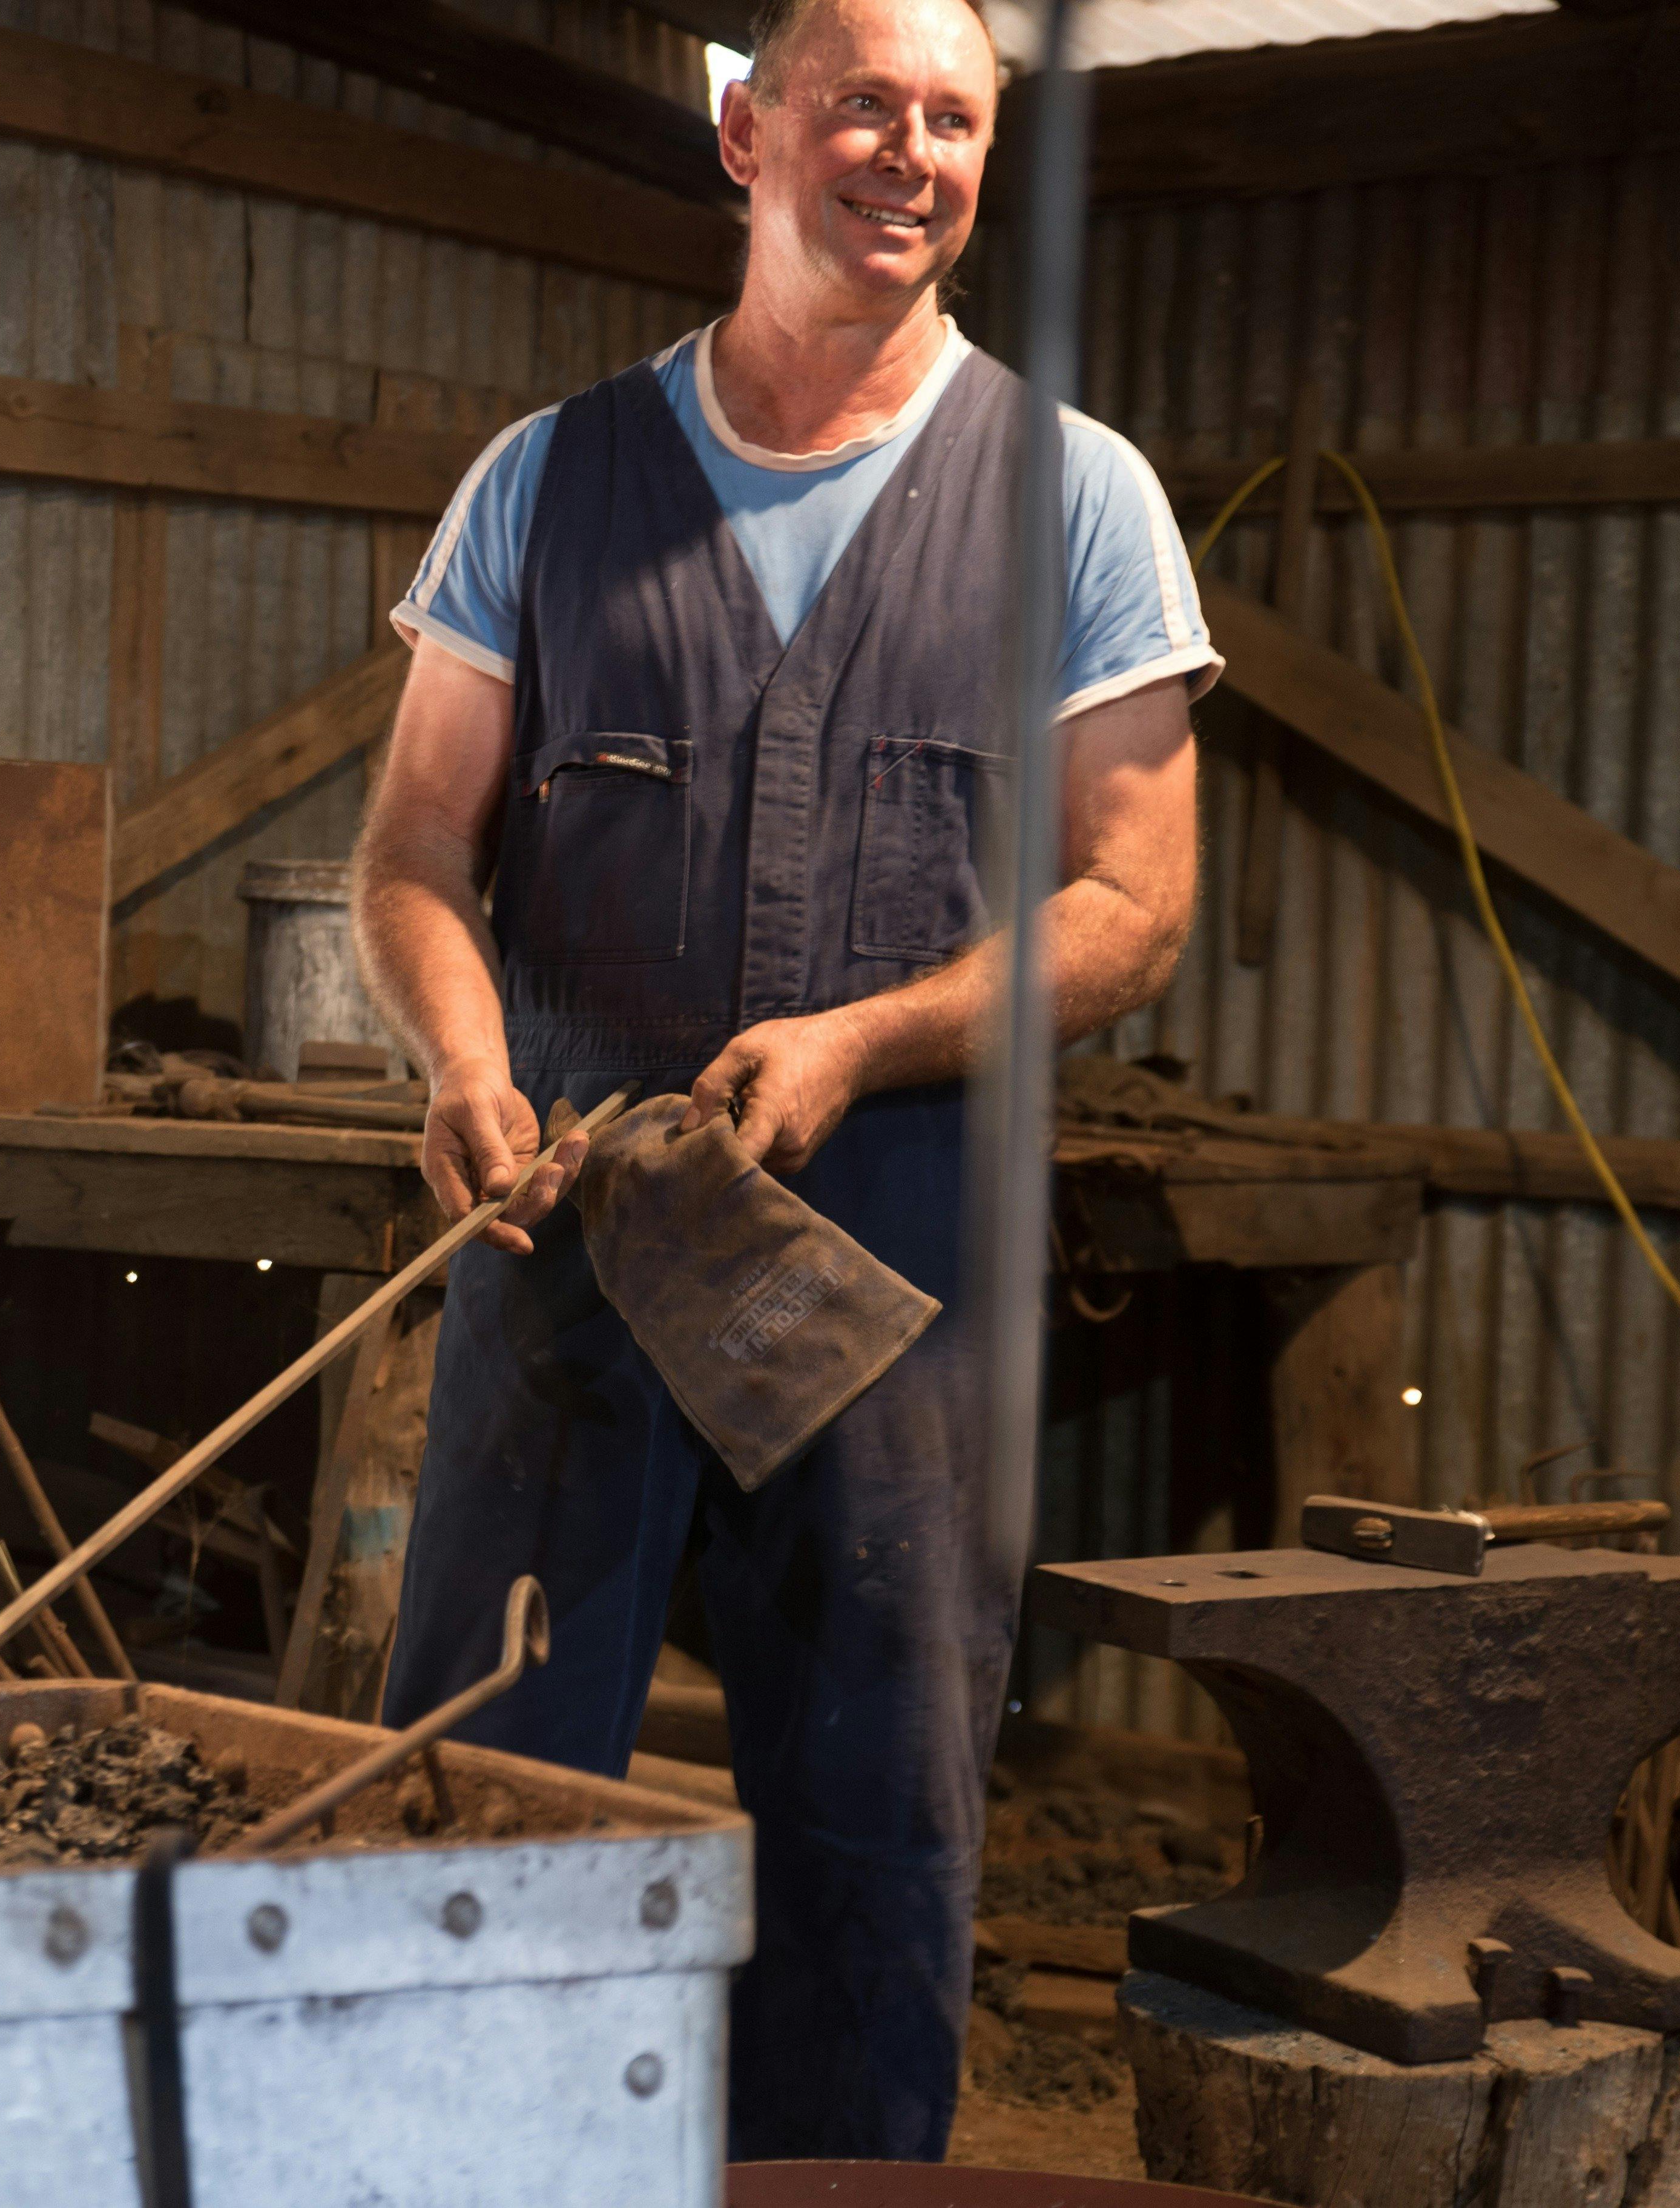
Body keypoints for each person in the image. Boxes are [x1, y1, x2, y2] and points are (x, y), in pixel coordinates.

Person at [351, 0, 1208, 2160]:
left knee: (870, 1814)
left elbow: (1137, 903)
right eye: (860, 109)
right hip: (568, 1227)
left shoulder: (1074, 497)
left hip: (897, 1255)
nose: (906, 156)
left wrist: (867, 1038)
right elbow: (412, 855)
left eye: (953, 121)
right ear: (746, 131)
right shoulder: (546, 484)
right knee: (486, 1781)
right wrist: (464, 1064)